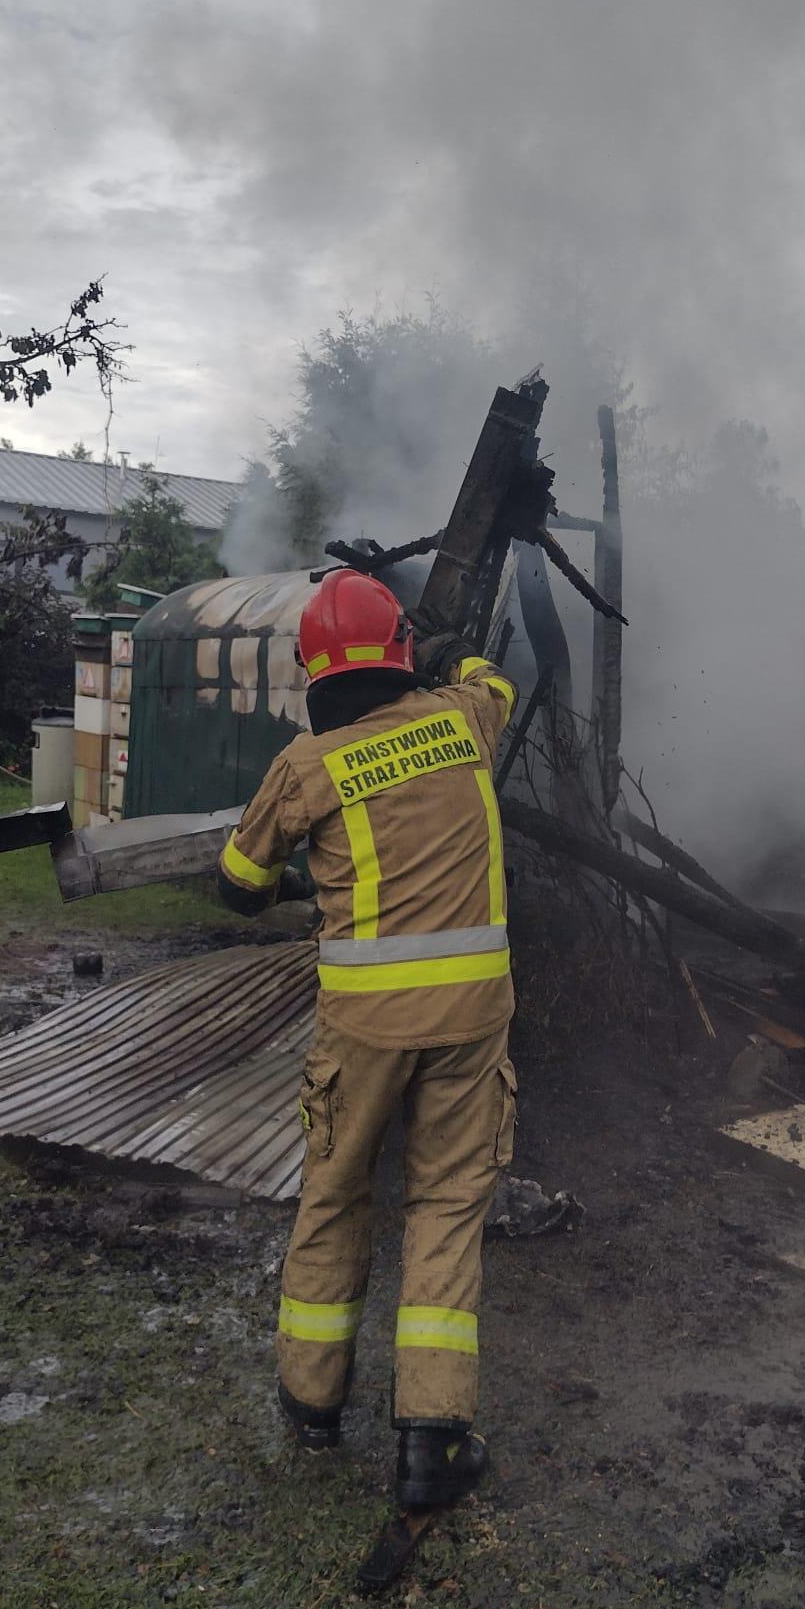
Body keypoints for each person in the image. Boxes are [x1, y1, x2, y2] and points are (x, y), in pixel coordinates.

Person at [216, 567, 518, 1509]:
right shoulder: (465, 718)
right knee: (447, 1205)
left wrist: (298, 870)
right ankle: (431, 1444)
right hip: (472, 1018)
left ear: (313, 670)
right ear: (402, 655)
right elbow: (496, 682)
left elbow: (237, 884)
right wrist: (450, 652)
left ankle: (312, 1402)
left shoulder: (307, 766)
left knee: (337, 1194)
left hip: (363, 1029)